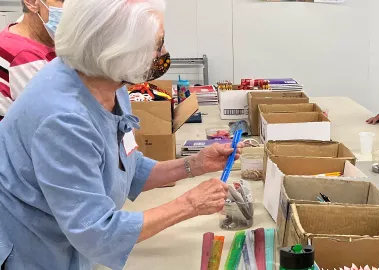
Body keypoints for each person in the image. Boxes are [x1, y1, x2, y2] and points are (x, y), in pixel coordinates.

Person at [0, 1, 241, 269]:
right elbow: (98, 233)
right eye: (158, 44)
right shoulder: (63, 119)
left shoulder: (108, 83)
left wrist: (193, 165)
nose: (164, 53)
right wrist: (190, 204)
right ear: (120, 52)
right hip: (34, 250)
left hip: (68, 241)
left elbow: (126, 165)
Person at [0, 0, 62, 121]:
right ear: (31, 2)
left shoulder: (48, 41)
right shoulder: (22, 57)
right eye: (63, 1)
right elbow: (55, 120)